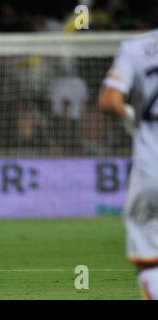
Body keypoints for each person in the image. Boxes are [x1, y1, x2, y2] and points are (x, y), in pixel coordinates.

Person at [99, 29, 158, 300]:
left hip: (151, 166)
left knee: (149, 257)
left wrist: (131, 117)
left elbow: (110, 101)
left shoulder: (137, 47)